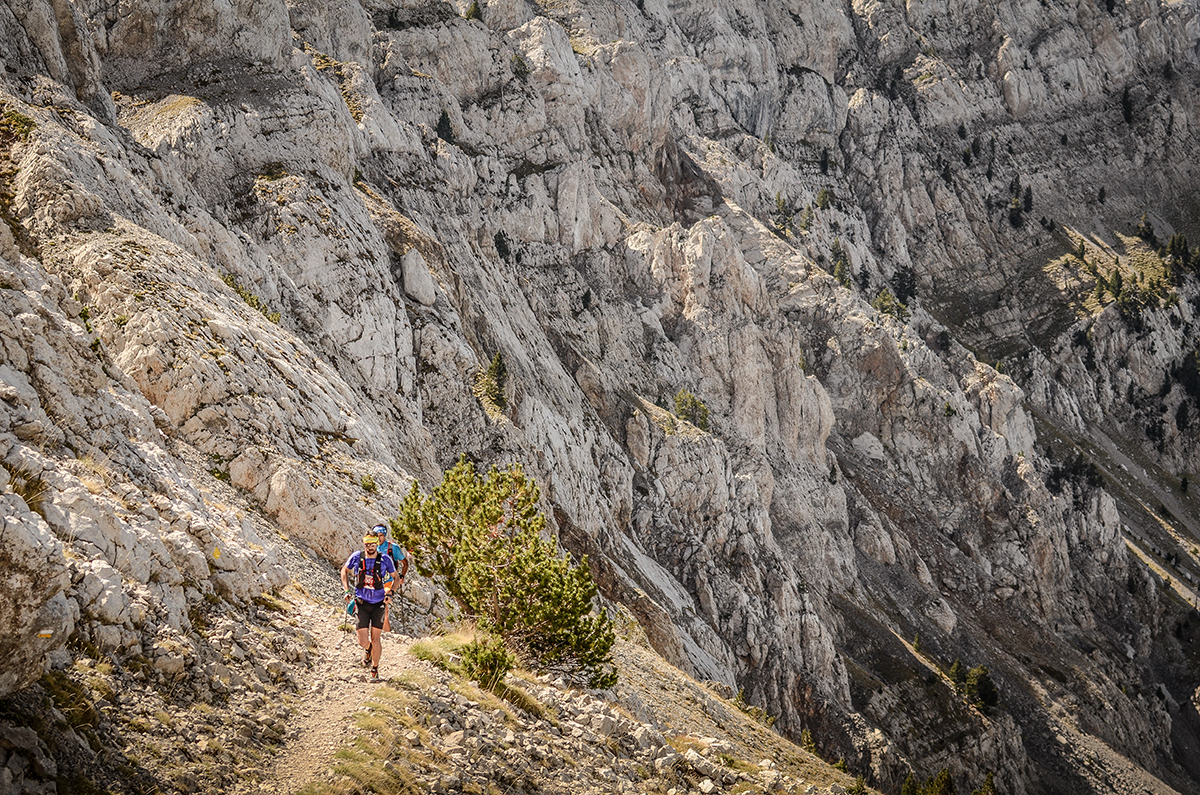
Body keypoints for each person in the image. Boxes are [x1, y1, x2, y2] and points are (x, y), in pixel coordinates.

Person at [341, 531, 397, 681]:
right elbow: (344, 571)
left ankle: (375, 668)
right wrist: (346, 590)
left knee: (376, 638)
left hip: (379, 603)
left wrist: (391, 593)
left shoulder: (385, 559)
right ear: (364, 543)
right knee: (362, 640)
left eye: (373, 544)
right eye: (367, 544)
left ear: (377, 544)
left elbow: (395, 577)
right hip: (361, 603)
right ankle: (369, 649)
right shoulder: (356, 557)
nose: (370, 547)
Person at [370, 524, 408, 633]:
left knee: (383, 602)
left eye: (381, 535)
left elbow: (405, 563)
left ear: (385, 536)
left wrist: (401, 576)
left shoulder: (393, 548)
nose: (379, 538)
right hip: (375, 582)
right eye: (376, 535)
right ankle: (385, 633)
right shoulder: (371, 547)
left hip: (389, 581)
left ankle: (385, 634)